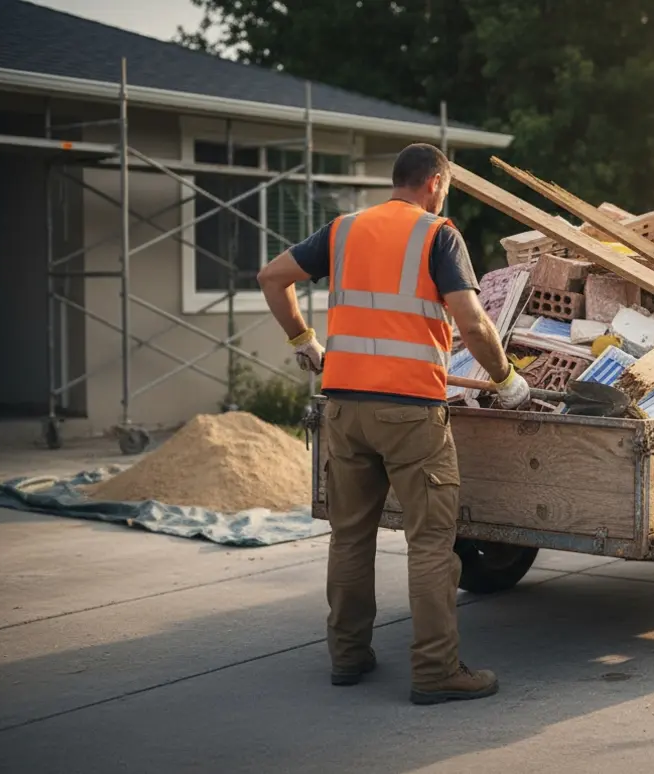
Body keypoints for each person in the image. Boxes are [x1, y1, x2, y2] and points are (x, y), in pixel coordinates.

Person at [256, 142, 530, 705]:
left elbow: (270, 277)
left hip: (343, 407)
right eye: (446, 188)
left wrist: (304, 341)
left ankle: (348, 656)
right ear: (434, 182)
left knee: (350, 536)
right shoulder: (438, 234)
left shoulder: (344, 230)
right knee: (431, 542)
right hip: (409, 413)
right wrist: (506, 379)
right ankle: (436, 671)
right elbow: (474, 324)